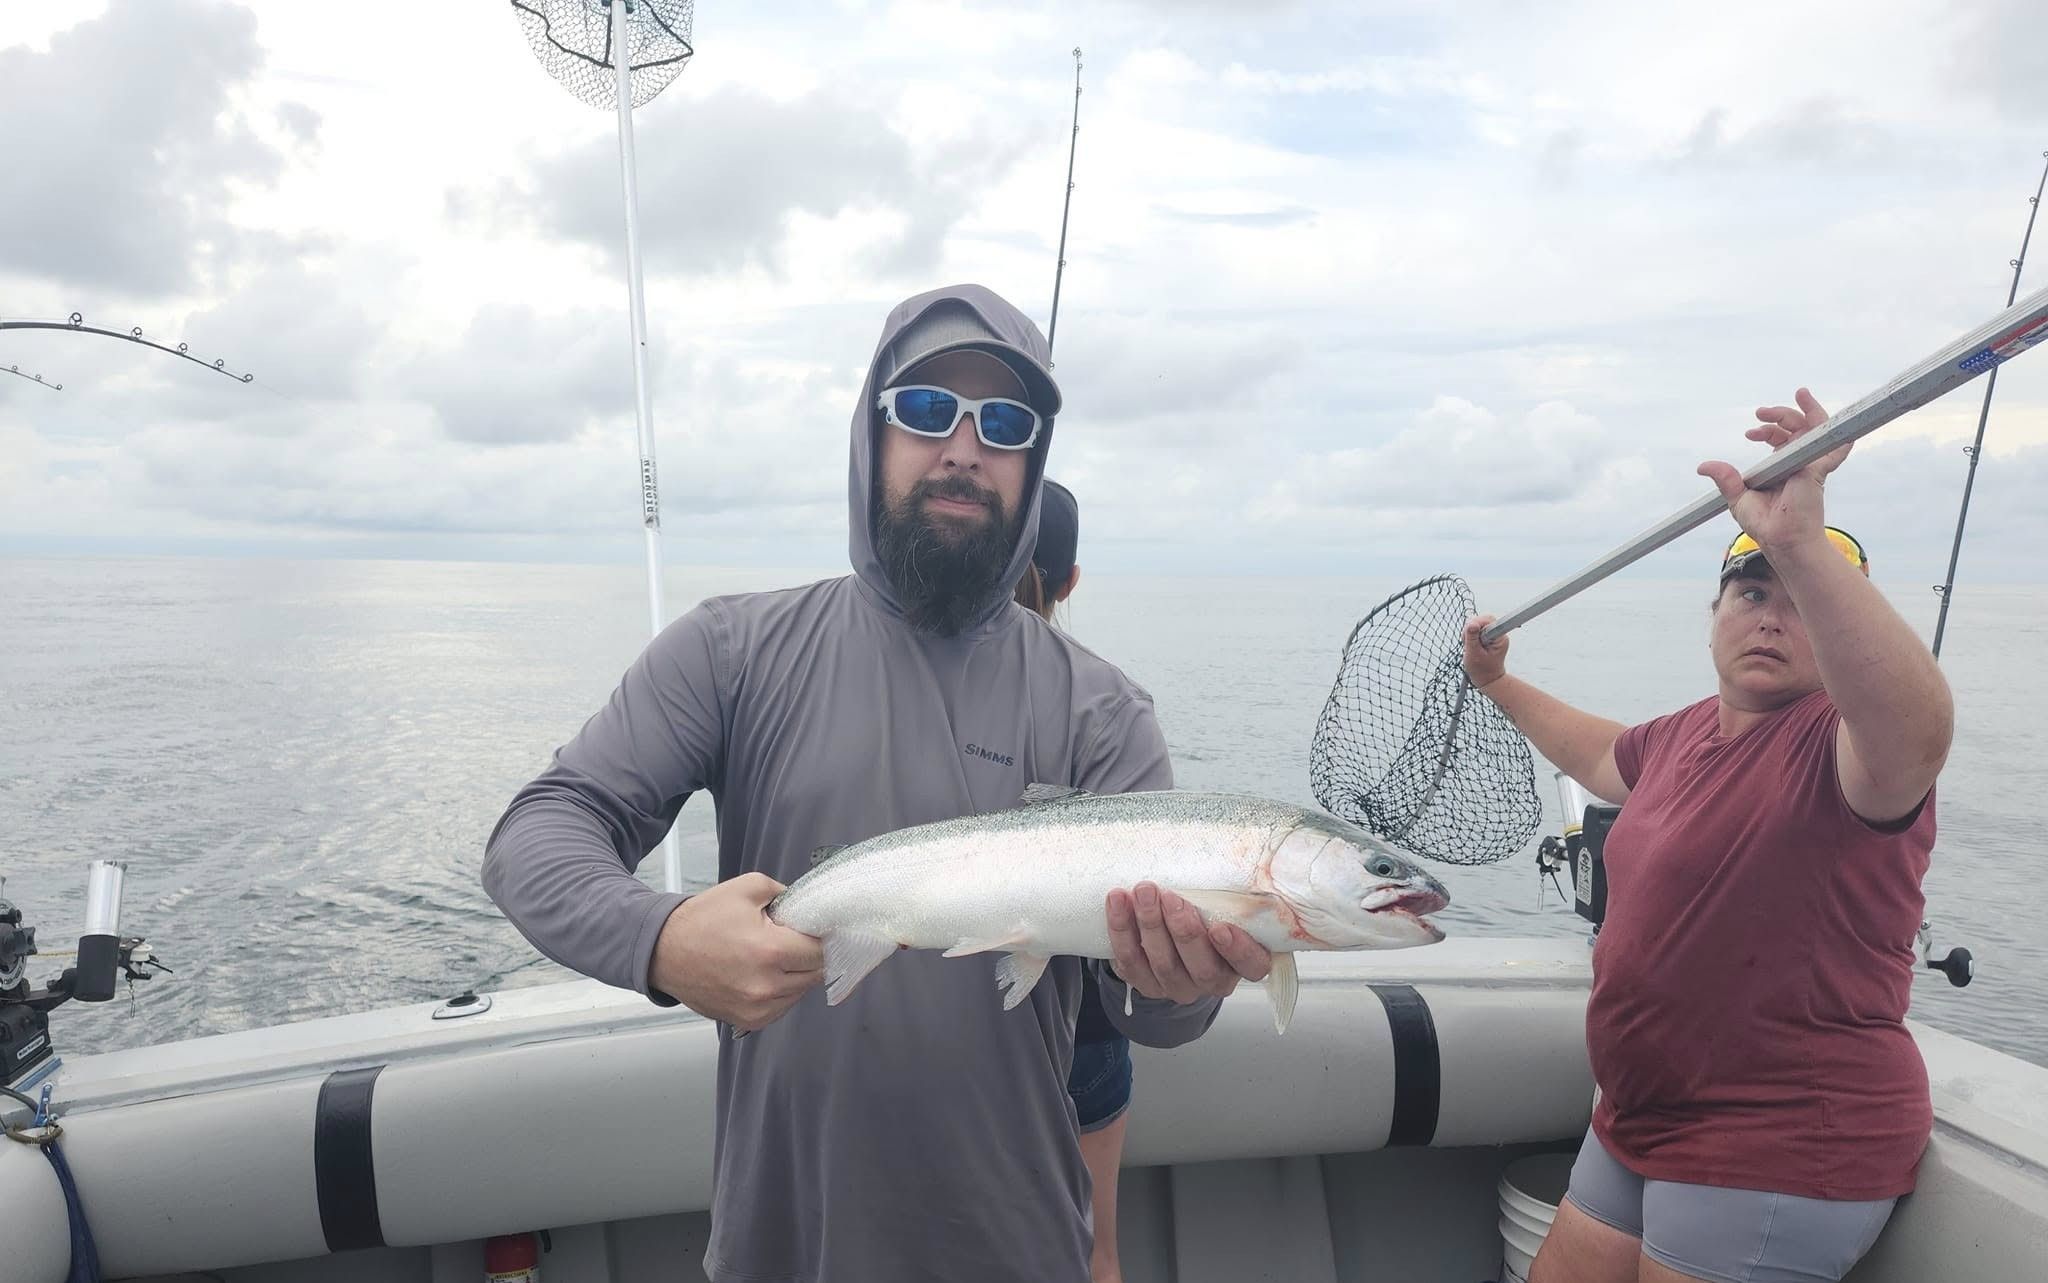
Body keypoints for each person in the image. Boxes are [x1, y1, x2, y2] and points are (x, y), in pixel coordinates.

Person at [482, 284, 1273, 1283]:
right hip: (780, 1246)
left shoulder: (1099, 710)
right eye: (928, 409)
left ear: (1032, 465)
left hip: (1018, 1250)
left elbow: (1153, 1018)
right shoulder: (731, 651)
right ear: (872, 429)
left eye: (1005, 423)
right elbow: (539, 834)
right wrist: (662, 937)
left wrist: (1179, 978)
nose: (962, 446)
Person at [1463, 388, 1952, 1283]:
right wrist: (1499, 684)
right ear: (1714, 613)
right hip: (1641, 1118)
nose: (1770, 612)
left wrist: (1802, 541)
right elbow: (1605, 753)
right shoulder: (1685, 732)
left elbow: (1918, 729)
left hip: (1778, 1141)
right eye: (1750, 588)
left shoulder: (1845, 746)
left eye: (1798, 599)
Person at [1012, 478, 1129, 1283]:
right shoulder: (1104, 700)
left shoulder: (931, 706)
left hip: (963, 1022)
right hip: (1088, 1026)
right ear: (1071, 579)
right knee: (1092, 1253)